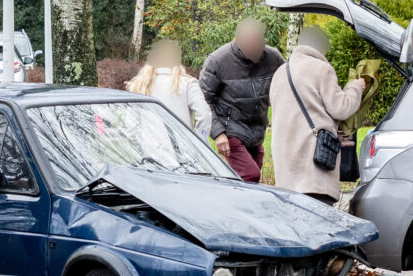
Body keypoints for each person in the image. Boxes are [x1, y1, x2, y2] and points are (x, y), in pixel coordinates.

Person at [269, 25, 367, 205]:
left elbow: (293, 115)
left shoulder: (280, 72)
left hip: (286, 170)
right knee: (317, 217)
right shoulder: (322, 69)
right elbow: (341, 108)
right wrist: (355, 87)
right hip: (312, 169)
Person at [198, 18, 284, 183]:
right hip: (231, 129)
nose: (255, 50)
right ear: (238, 42)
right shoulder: (218, 61)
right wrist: (218, 133)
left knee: (249, 182)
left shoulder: (273, 57)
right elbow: (204, 101)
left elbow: (289, 82)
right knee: (250, 175)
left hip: (257, 131)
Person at [126, 38, 210, 138]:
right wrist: (201, 139)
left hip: (149, 146)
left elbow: (131, 126)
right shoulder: (187, 84)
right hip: (183, 144)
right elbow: (205, 115)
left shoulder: (139, 85)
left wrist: (139, 143)